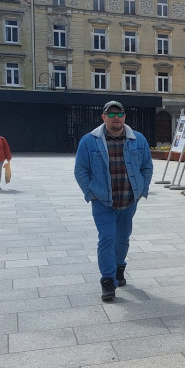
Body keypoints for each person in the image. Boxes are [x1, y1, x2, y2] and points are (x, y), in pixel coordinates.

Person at [74, 101, 153, 301]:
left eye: (119, 114)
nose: (115, 118)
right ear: (104, 117)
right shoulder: (89, 141)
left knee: (123, 238)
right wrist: (90, 193)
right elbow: (81, 169)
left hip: (128, 199)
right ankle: (108, 280)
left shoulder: (138, 139)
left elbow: (146, 167)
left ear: (125, 117)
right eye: (111, 114)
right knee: (107, 238)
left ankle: (119, 266)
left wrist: (141, 190)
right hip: (102, 201)